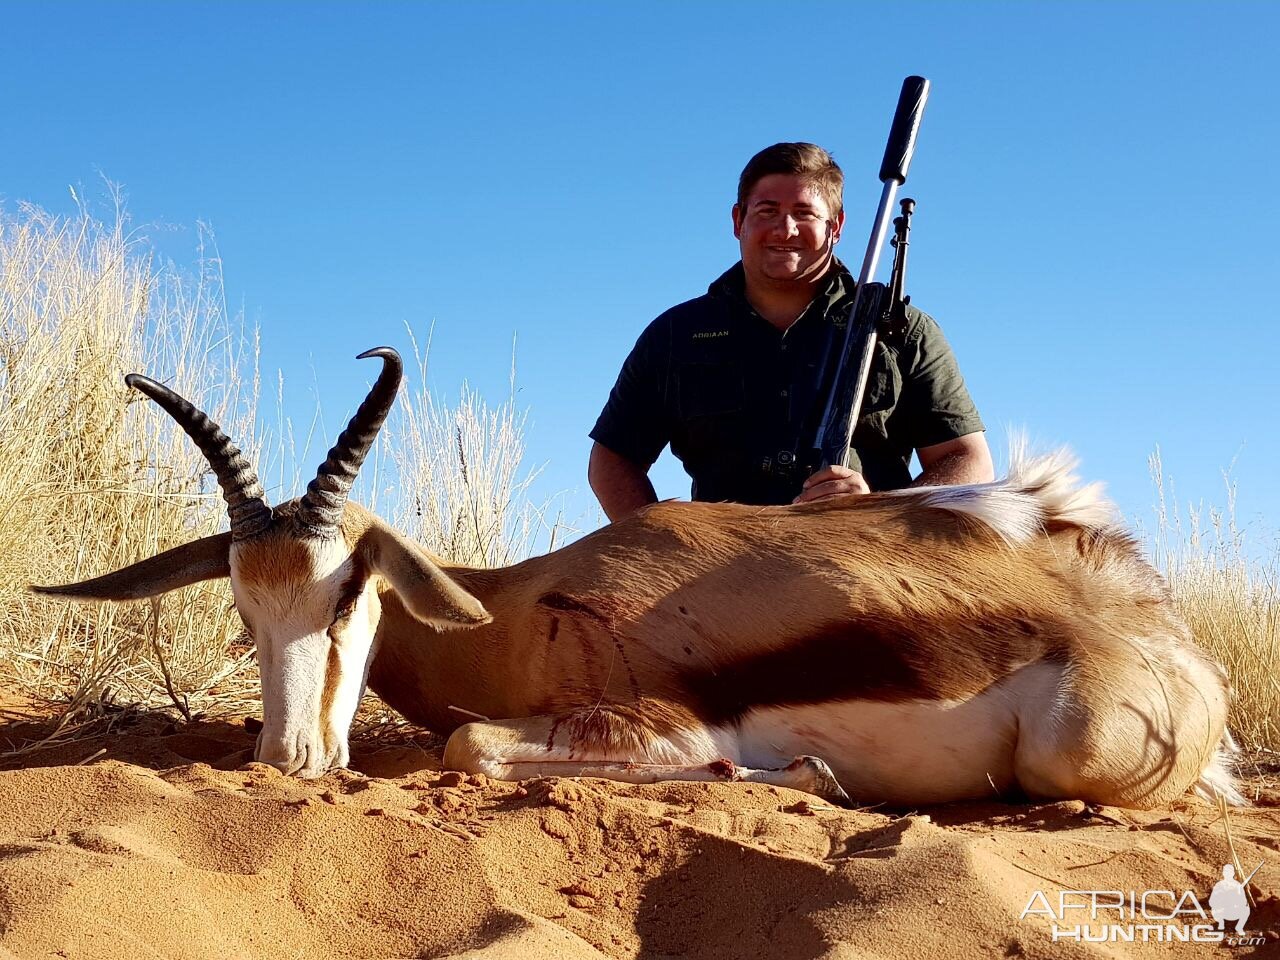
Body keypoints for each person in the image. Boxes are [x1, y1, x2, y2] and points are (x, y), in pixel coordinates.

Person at [589, 142, 993, 521]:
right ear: (737, 220)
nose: (785, 230)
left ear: (836, 226)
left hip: (865, 563)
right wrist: (657, 549)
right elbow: (611, 460)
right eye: (766, 210)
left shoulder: (903, 330)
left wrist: (882, 510)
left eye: (805, 213)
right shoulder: (675, 333)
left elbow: (967, 459)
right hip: (719, 574)